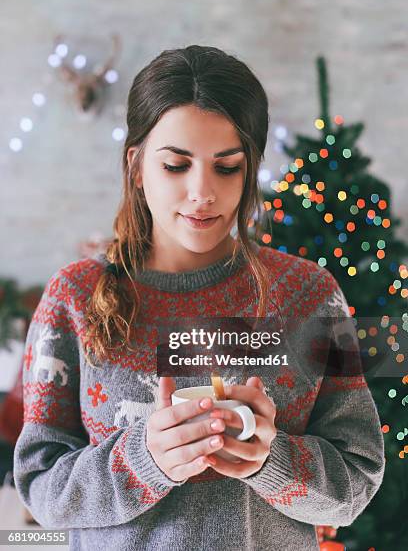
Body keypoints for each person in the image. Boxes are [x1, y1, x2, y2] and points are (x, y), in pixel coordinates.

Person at [13, 45, 385, 551]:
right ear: (137, 165)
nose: (202, 192)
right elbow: (39, 491)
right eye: (175, 166)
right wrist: (142, 461)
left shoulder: (314, 296)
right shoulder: (72, 297)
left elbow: (356, 483)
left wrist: (272, 462)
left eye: (226, 167)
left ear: (249, 170)